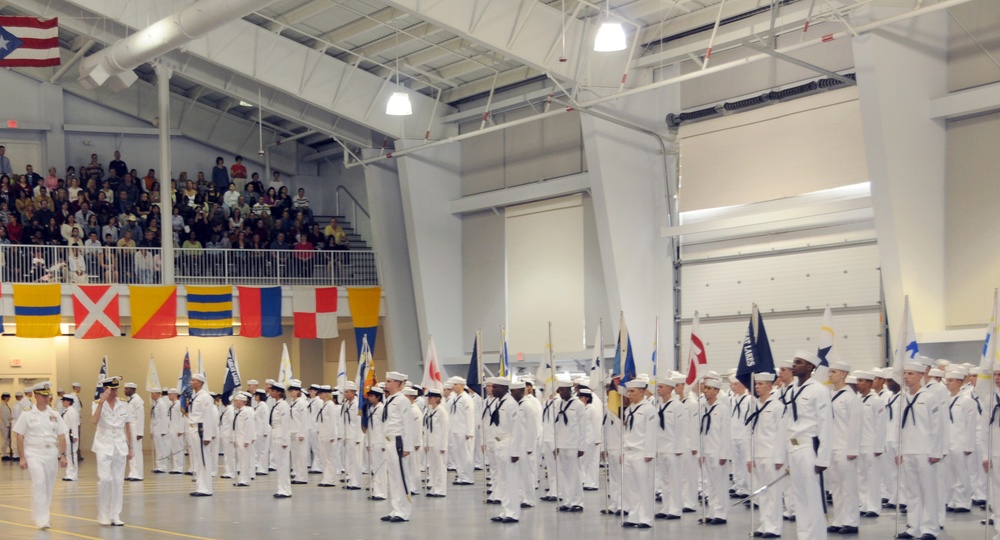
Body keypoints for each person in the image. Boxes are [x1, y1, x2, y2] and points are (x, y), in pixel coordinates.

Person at [784, 351, 832, 540]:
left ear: (810, 367)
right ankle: (804, 535)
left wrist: (823, 457)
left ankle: (817, 536)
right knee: (800, 497)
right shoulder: (792, 389)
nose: (793, 365)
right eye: (794, 362)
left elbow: (826, 424)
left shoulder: (818, 390)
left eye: (798, 362)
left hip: (809, 446)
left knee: (812, 497)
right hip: (794, 447)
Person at [897, 361, 946, 540]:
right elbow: (899, 427)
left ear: (920, 376)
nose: (906, 377)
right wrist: (899, 450)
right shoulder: (903, 398)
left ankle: (930, 528)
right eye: (905, 374)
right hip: (909, 449)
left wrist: (935, 451)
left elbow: (937, 426)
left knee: (929, 490)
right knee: (912, 491)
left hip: (925, 450)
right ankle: (913, 527)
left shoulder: (929, 397)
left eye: (910, 374)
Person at [13, 383, 68, 530]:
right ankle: (41, 519)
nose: (47, 398)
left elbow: (62, 435)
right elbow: (19, 435)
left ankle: (45, 515)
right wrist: (22, 457)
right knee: (39, 483)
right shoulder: (27, 413)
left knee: (49, 486)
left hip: (51, 454)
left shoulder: (55, 414)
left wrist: (63, 455)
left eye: (48, 395)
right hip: (34, 454)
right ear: (36, 396)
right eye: (43, 395)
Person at [744, 372, 784, 538]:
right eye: (756, 384)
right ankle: (764, 524)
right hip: (758, 455)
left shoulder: (777, 406)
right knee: (762, 493)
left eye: (761, 384)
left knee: (773, 493)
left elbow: (781, 434)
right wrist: (749, 457)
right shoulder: (753, 406)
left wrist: (779, 457)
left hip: (771, 455)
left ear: (770, 385)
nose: (757, 386)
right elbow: (748, 432)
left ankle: (774, 527)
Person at [91, 376, 132, 526]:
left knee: (118, 481)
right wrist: (102, 402)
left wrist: (131, 447)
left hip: (120, 446)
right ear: (105, 389)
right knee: (104, 479)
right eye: (111, 389)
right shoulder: (97, 404)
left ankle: (115, 514)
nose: (114, 392)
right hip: (103, 445)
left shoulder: (123, 404)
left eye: (115, 389)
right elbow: (94, 421)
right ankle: (103, 513)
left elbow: (128, 426)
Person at [827, 362, 861, 535]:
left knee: (848, 486)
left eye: (833, 372)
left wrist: (853, 449)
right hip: (831, 446)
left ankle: (851, 521)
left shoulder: (850, 397)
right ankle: (839, 519)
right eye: (830, 371)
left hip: (845, 446)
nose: (830, 374)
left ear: (843, 374)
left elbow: (854, 425)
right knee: (836, 486)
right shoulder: (829, 395)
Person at [618, 379, 656, 529]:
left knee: (644, 486)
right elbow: (626, 432)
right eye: (628, 391)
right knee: (631, 487)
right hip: (629, 452)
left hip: (642, 453)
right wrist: (623, 450)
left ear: (641, 391)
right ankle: (634, 516)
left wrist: (649, 452)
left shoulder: (649, 409)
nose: (629, 394)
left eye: (632, 391)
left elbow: (651, 432)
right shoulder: (629, 410)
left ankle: (646, 518)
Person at [380, 372, 413, 523]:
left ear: (398, 383)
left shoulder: (402, 401)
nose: (386, 384)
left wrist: (407, 446)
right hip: (389, 441)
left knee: (401, 477)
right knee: (393, 477)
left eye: (389, 381)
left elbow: (407, 423)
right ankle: (395, 509)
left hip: (398, 442)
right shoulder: (389, 400)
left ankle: (404, 511)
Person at [654, 376, 687, 520]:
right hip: (661, 447)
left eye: (661, 387)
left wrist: (679, 448)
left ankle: (675, 509)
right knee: (665, 480)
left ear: (669, 389)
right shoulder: (659, 405)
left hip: (673, 448)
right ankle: (666, 507)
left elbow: (680, 428)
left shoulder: (677, 405)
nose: (658, 389)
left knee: (674, 480)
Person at [698, 376, 731, 525]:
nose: (706, 391)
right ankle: (711, 512)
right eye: (705, 388)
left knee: (720, 484)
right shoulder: (704, 408)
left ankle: (720, 513)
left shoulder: (723, 408)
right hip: (707, 450)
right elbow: (700, 432)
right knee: (709, 484)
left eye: (709, 388)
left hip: (718, 451)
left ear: (717, 391)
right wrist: (701, 452)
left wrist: (724, 454)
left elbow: (725, 433)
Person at [553, 379, 588, 513]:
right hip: (562, 444)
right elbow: (557, 426)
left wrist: (581, 446)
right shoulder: (560, 404)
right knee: (564, 474)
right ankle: (567, 501)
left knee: (575, 474)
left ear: (569, 390)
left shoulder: (578, 405)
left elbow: (583, 427)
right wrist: (556, 445)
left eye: (562, 390)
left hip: (574, 445)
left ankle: (578, 501)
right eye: (559, 390)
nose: (560, 393)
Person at [187, 373, 218, 497]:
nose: (191, 382)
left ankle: (206, 489)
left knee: (204, 460)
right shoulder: (196, 396)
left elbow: (208, 417)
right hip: (193, 429)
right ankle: (200, 486)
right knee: (198, 460)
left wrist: (207, 436)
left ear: (200, 383)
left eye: (193, 380)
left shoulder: (205, 397)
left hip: (201, 431)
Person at [423, 388, 449, 497]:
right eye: (428, 397)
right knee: (433, 467)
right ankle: (433, 488)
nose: (429, 399)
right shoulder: (428, 411)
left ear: (437, 398)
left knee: (440, 467)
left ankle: (440, 489)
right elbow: (425, 428)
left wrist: (443, 446)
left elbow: (444, 429)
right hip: (431, 443)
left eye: (431, 397)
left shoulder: (442, 411)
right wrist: (426, 443)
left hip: (439, 443)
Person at [341, 381, 363, 490]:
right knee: (349, 459)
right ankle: (350, 480)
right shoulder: (346, 404)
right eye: (345, 392)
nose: (345, 394)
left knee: (356, 460)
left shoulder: (357, 404)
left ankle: (356, 482)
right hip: (348, 435)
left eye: (347, 392)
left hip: (355, 436)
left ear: (354, 392)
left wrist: (358, 437)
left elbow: (358, 421)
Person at [232, 392, 256, 487]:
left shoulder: (246, 412)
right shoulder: (239, 412)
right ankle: (241, 479)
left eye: (237, 401)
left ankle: (245, 479)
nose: (235, 403)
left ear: (242, 402)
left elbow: (249, 426)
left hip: (244, 440)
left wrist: (247, 440)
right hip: (239, 439)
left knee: (245, 461)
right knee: (241, 460)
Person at [123, 382, 145, 481]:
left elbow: (141, 416)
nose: (125, 391)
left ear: (133, 390)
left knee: (136, 451)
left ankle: (138, 474)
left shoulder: (137, 400)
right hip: (130, 427)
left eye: (127, 389)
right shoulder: (130, 400)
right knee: (130, 450)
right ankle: (132, 472)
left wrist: (140, 432)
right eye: (125, 389)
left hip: (135, 427)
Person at [60, 395, 80, 481]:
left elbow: (74, 424)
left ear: (69, 402)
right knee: (68, 454)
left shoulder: (72, 412)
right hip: (66, 433)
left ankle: (73, 474)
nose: (63, 403)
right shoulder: (67, 411)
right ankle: (69, 473)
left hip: (70, 434)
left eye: (64, 401)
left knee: (71, 454)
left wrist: (75, 436)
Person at [149, 388, 170, 473]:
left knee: (162, 448)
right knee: (158, 449)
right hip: (156, 429)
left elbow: (164, 418)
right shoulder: (156, 404)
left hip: (161, 430)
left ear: (158, 394)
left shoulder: (162, 404)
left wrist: (164, 431)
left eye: (153, 393)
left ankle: (163, 466)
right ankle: (159, 465)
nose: (151, 395)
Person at [166, 389, 186, 474]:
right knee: (174, 448)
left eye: (170, 394)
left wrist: (181, 430)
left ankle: (179, 467)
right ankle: (175, 466)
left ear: (175, 395)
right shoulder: (172, 405)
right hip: (172, 429)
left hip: (177, 430)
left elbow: (183, 417)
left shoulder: (179, 405)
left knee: (178, 448)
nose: (168, 396)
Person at [1, 392, 12, 460]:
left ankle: (5, 453)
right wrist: (8, 425)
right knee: (5, 439)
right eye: (8, 397)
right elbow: (4, 416)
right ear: (5, 398)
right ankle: (4, 454)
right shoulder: (3, 405)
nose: (9, 399)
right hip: (4, 425)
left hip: (4, 424)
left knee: (6, 439)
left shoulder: (4, 405)